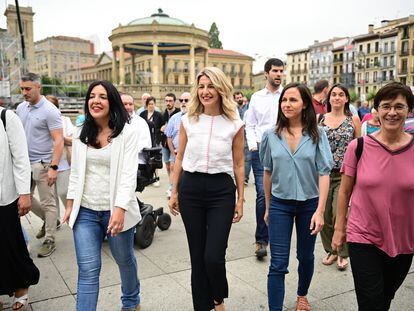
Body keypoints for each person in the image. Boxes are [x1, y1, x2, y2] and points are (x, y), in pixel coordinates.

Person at [332, 82, 414, 310]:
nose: (392, 112)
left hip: (404, 239)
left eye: (399, 106)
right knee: (371, 302)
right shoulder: (358, 147)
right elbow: (345, 192)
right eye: (386, 106)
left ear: (409, 111)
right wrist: (339, 230)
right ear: (376, 110)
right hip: (363, 236)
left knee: (385, 297)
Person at [169, 67, 244, 311]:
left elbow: (239, 163)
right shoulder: (187, 120)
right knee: (197, 256)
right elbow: (179, 158)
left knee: (213, 255)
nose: (205, 91)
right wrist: (175, 191)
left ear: (221, 89)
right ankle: (203, 306)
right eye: (201, 86)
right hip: (191, 188)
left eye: (210, 86)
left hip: (221, 190)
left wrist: (240, 199)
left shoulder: (234, 123)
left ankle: (218, 297)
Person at [63, 80, 141, 311]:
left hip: (115, 210)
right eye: (92, 96)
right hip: (85, 211)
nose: (96, 101)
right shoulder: (80, 134)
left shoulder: (127, 133)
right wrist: (70, 206)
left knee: (124, 260)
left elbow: (129, 175)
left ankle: (131, 301)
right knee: (88, 269)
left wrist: (119, 210)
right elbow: (76, 174)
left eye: (103, 96)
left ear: (112, 101)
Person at [260, 83, 333, 311]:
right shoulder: (270, 135)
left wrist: (320, 210)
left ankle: (302, 294)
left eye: (293, 100)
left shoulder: (318, 134)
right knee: (278, 263)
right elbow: (268, 172)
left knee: (306, 256)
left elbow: (324, 173)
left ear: (304, 105)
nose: (287, 104)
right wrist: (268, 207)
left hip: (309, 205)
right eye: (284, 100)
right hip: (280, 205)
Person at [16, 72, 64, 258]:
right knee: (22, 201)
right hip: (24, 164)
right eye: (22, 89)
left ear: (39, 88)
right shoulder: (21, 108)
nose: (24, 92)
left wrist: (53, 167)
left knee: (48, 202)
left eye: (28, 89)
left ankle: (50, 238)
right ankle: (49, 220)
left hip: (44, 164)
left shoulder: (50, 110)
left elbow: (58, 140)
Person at [0, 107, 40, 311]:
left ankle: (21, 286)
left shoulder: (6, 117)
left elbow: (21, 158)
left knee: (11, 244)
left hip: (4, 196)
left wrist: (24, 193)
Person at [318, 84, 361, 271]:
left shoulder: (354, 120)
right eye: (333, 94)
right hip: (324, 174)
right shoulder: (320, 119)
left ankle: (343, 252)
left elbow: (361, 147)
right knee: (324, 214)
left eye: (340, 95)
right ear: (329, 99)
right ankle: (331, 250)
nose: (336, 98)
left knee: (339, 214)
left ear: (346, 99)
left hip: (345, 174)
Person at [245, 58, 284, 258]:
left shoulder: (287, 96)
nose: (278, 74)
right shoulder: (257, 97)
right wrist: (253, 145)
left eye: (281, 71)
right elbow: (249, 124)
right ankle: (261, 240)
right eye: (275, 71)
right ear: (266, 73)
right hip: (261, 149)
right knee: (262, 194)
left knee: (279, 195)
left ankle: (278, 236)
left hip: (284, 149)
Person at [46, 95, 74, 221]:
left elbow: (73, 140)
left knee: (63, 192)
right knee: (51, 197)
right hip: (46, 163)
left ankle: (72, 216)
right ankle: (54, 221)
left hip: (63, 162)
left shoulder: (65, 120)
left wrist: (58, 137)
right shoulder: (41, 120)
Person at [165, 92, 191, 198]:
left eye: (186, 100)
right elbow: (169, 136)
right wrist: (172, 153)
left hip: (190, 153)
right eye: (181, 100)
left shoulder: (196, 117)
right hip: (176, 152)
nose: (183, 103)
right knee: (174, 170)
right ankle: (173, 190)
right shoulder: (174, 118)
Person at [120, 93, 152, 165]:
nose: (128, 107)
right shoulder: (112, 121)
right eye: (125, 104)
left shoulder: (141, 123)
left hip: (137, 163)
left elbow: (145, 144)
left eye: (130, 104)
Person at [161, 93, 180, 198]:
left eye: (170, 101)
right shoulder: (163, 114)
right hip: (164, 144)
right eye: (166, 101)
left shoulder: (178, 114)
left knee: (173, 167)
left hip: (174, 145)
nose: (168, 103)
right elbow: (158, 128)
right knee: (168, 167)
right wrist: (161, 129)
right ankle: (171, 184)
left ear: (174, 102)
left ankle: (173, 187)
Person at [234, 91, 251, 185]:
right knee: (238, 157)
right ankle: (237, 177)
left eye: (240, 97)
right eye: (237, 98)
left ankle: (245, 178)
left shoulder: (248, 108)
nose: (239, 99)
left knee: (248, 158)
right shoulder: (233, 109)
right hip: (236, 135)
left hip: (246, 134)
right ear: (234, 99)